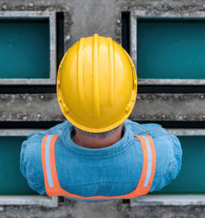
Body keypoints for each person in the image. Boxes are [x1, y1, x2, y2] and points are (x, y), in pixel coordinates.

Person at [20, 34, 182, 200]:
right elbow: (155, 135)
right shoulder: (162, 154)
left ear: (62, 98)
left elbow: (39, 154)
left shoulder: (38, 159)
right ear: (131, 95)